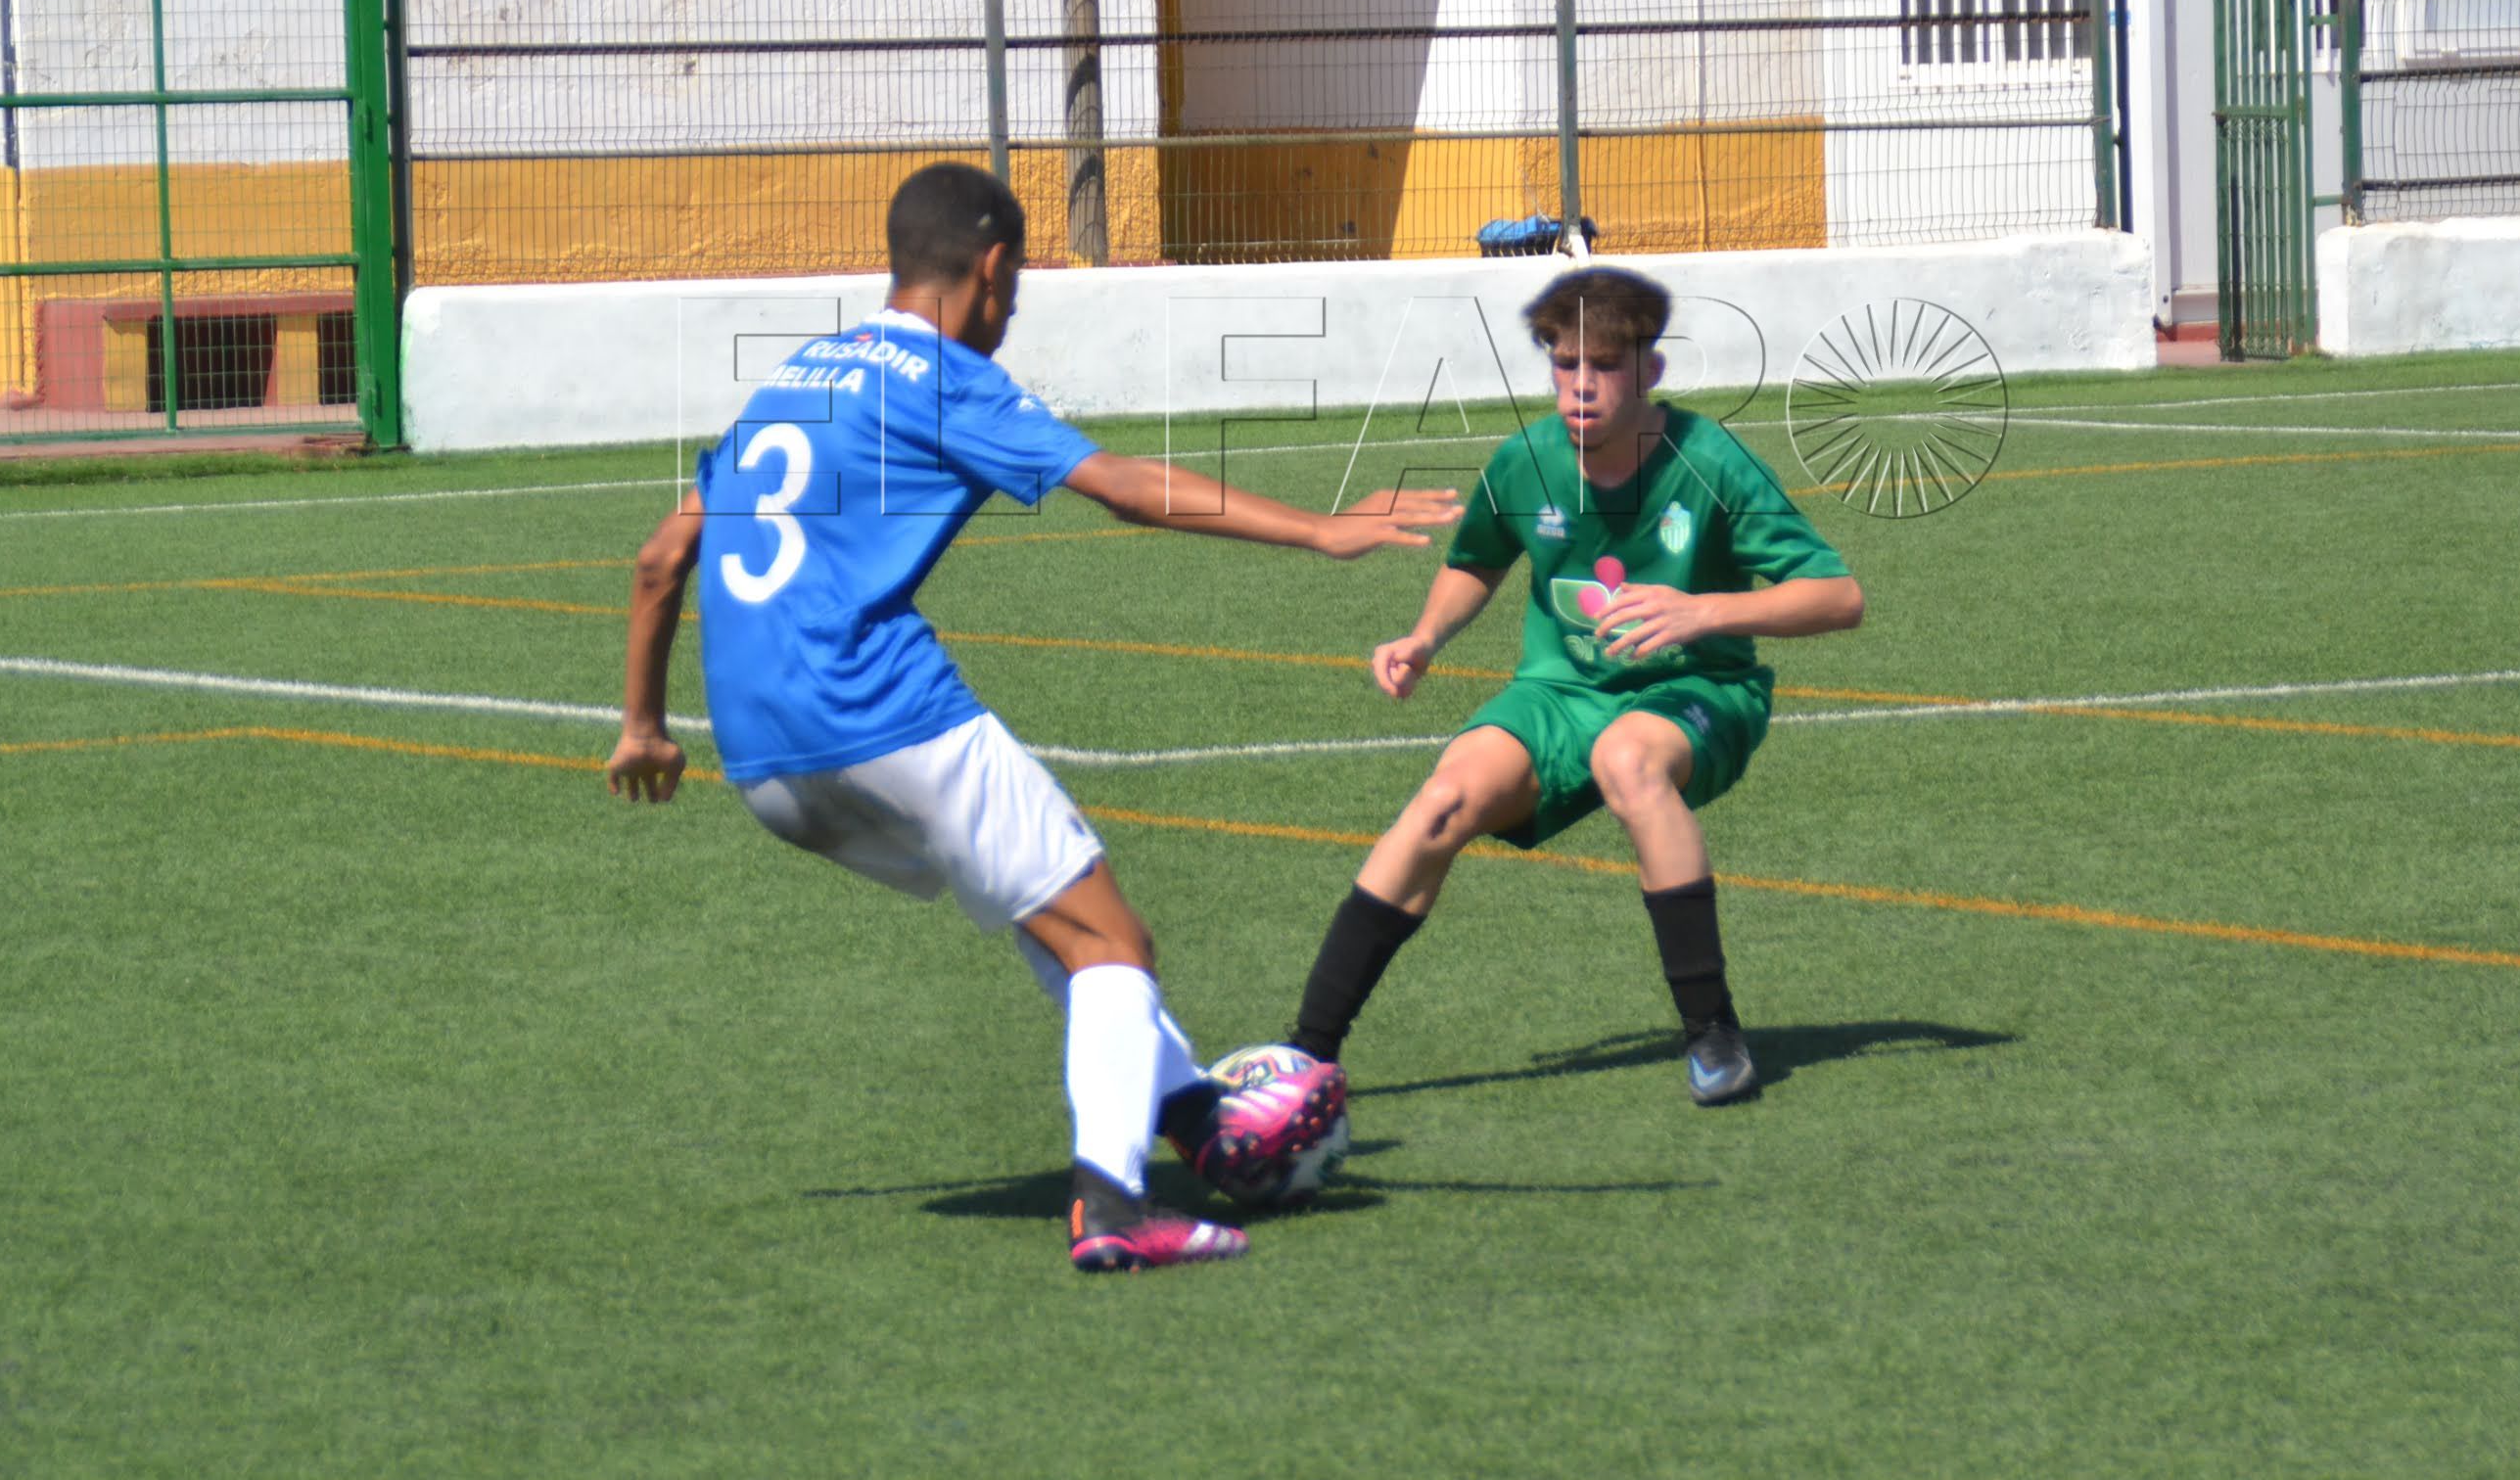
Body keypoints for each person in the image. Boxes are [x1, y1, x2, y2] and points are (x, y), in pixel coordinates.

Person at [606, 162, 1458, 1273]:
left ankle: (1196, 1118)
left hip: (766, 760)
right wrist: (1318, 530)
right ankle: (1115, 1209)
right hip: (878, 708)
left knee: (1045, 915)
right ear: (995, 269)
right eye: (1018, 288)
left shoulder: (797, 377)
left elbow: (661, 558)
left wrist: (644, 728)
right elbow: (1118, 485)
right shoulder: (947, 377)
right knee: (1113, 941)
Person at [1281, 264, 1865, 1106]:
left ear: (1650, 371)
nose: (1580, 386)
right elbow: (1477, 560)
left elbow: (1840, 598)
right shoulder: (1526, 460)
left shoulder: (1710, 460)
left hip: (1695, 689)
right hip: (1557, 693)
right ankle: (1306, 1055)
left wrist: (1702, 613)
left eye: (1605, 365)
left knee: (1629, 760)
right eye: (1564, 364)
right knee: (1442, 800)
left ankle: (1712, 1032)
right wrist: (1425, 637)